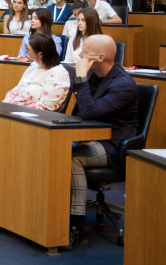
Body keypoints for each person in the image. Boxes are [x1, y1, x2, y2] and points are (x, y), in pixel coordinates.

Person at [65, 34, 138, 250]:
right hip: (89, 136)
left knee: (72, 159)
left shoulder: (124, 84)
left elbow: (89, 112)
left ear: (100, 57)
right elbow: (77, 107)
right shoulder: (94, 75)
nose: (79, 55)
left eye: (85, 52)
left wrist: (79, 76)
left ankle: (76, 226)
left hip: (113, 144)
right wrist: (81, 77)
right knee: (52, 149)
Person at [3, 33, 69, 111]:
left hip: (34, 116)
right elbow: (19, 87)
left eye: (28, 50)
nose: (25, 51)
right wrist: (7, 101)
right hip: (17, 109)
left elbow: (45, 106)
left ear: (40, 54)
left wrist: (14, 108)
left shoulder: (58, 73)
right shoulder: (34, 65)